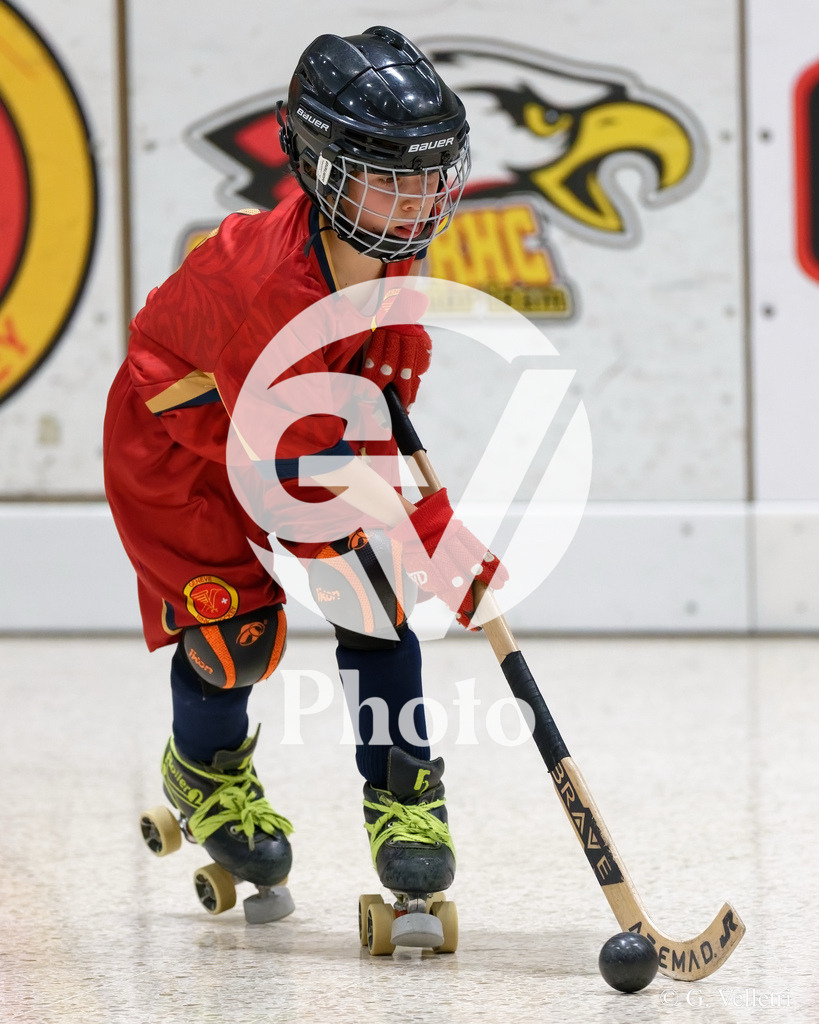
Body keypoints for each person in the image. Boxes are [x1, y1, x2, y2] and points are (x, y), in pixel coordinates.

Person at [103, 25, 507, 941]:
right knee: (236, 635)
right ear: (322, 170)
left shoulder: (388, 236)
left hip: (296, 423)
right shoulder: (263, 290)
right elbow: (304, 473)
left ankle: (404, 797)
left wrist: (412, 512)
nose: (416, 202)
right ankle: (202, 769)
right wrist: (432, 532)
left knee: (369, 597)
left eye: (429, 174)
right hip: (176, 441)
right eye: (391, 176)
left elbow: (368, 380)